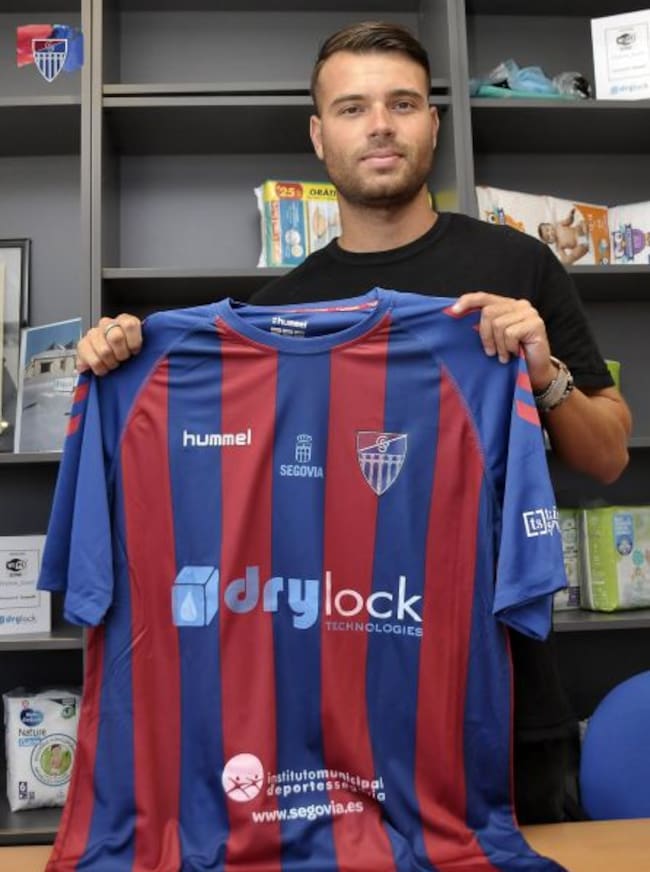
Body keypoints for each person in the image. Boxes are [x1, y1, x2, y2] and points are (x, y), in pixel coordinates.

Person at [75, 21, 632, 824]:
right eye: (352, 107)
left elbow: (610, 456)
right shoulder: (273, 318)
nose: (379, 125)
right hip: (339, 717)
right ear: (319, 135)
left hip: (506, 701)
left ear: (433, 123)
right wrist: (120, 361)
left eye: (402, 103)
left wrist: (543, 375)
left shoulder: (518, 270)